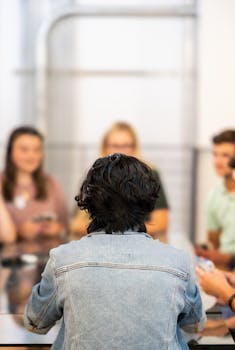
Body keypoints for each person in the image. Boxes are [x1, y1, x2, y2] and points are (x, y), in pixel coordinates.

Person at [24, 153, 205, 350]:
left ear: (90, 202)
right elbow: (194, 324)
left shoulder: (62, 260)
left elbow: (35, 323)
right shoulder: (177, 261)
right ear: (148, 202)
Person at [71, 121, 169, 242]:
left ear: (135, 147)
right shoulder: (95, 175)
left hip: (141, 244)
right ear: (105, 147)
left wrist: (118, 231)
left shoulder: (149, 175)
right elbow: (75, 223)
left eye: (126, 145)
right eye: (115, 145)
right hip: (100, 244)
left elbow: (161, 223)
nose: (121, 151)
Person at [0, 126, 68, 243]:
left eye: (37, 149)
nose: (31, 155)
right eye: (24, 149)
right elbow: (7, 236)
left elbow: (66, 225)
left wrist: (57, 229)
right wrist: (20, 231)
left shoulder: (51, 183)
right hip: (10, 258)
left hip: (49, 256)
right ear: (10, 151)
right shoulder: (2, 183)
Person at [195, 130, 235, 267]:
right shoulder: (214, 195)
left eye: (225, 155)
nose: (218, 161)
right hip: (225, 269)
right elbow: (214, 243)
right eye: (215, 154)